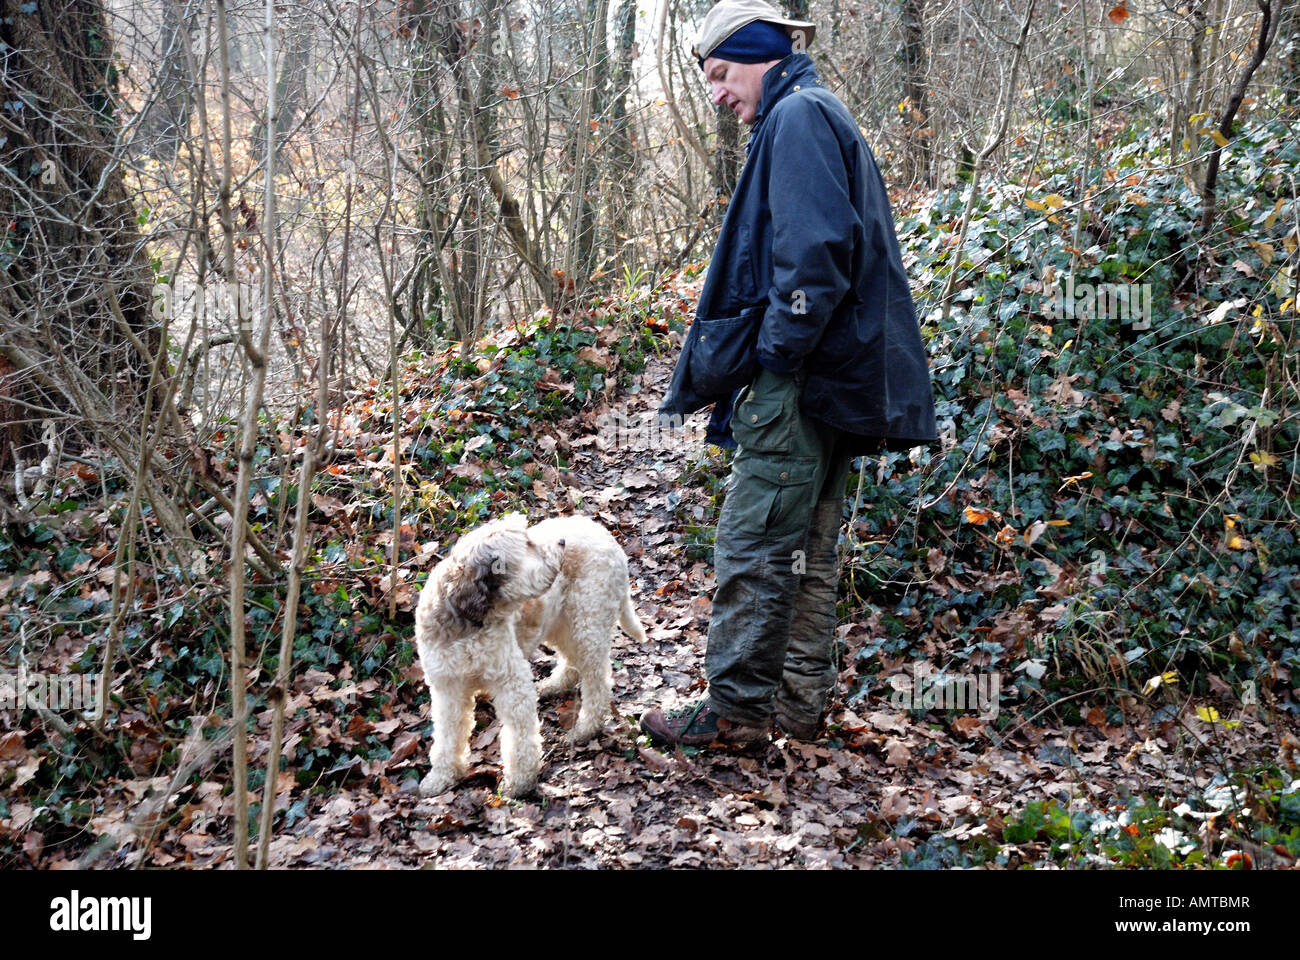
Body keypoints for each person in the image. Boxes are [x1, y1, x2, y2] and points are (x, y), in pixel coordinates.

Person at [640, 0, 937, 748]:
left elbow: (814, 259)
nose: (717, 94)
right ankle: (796, 711)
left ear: (761, 55)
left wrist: (776, 355)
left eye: (721, 74)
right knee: (808, 549)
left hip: (802, 385)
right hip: (836, 384)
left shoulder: (798, 118)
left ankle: (734, 712)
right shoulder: (818, 110)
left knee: (754, 543)